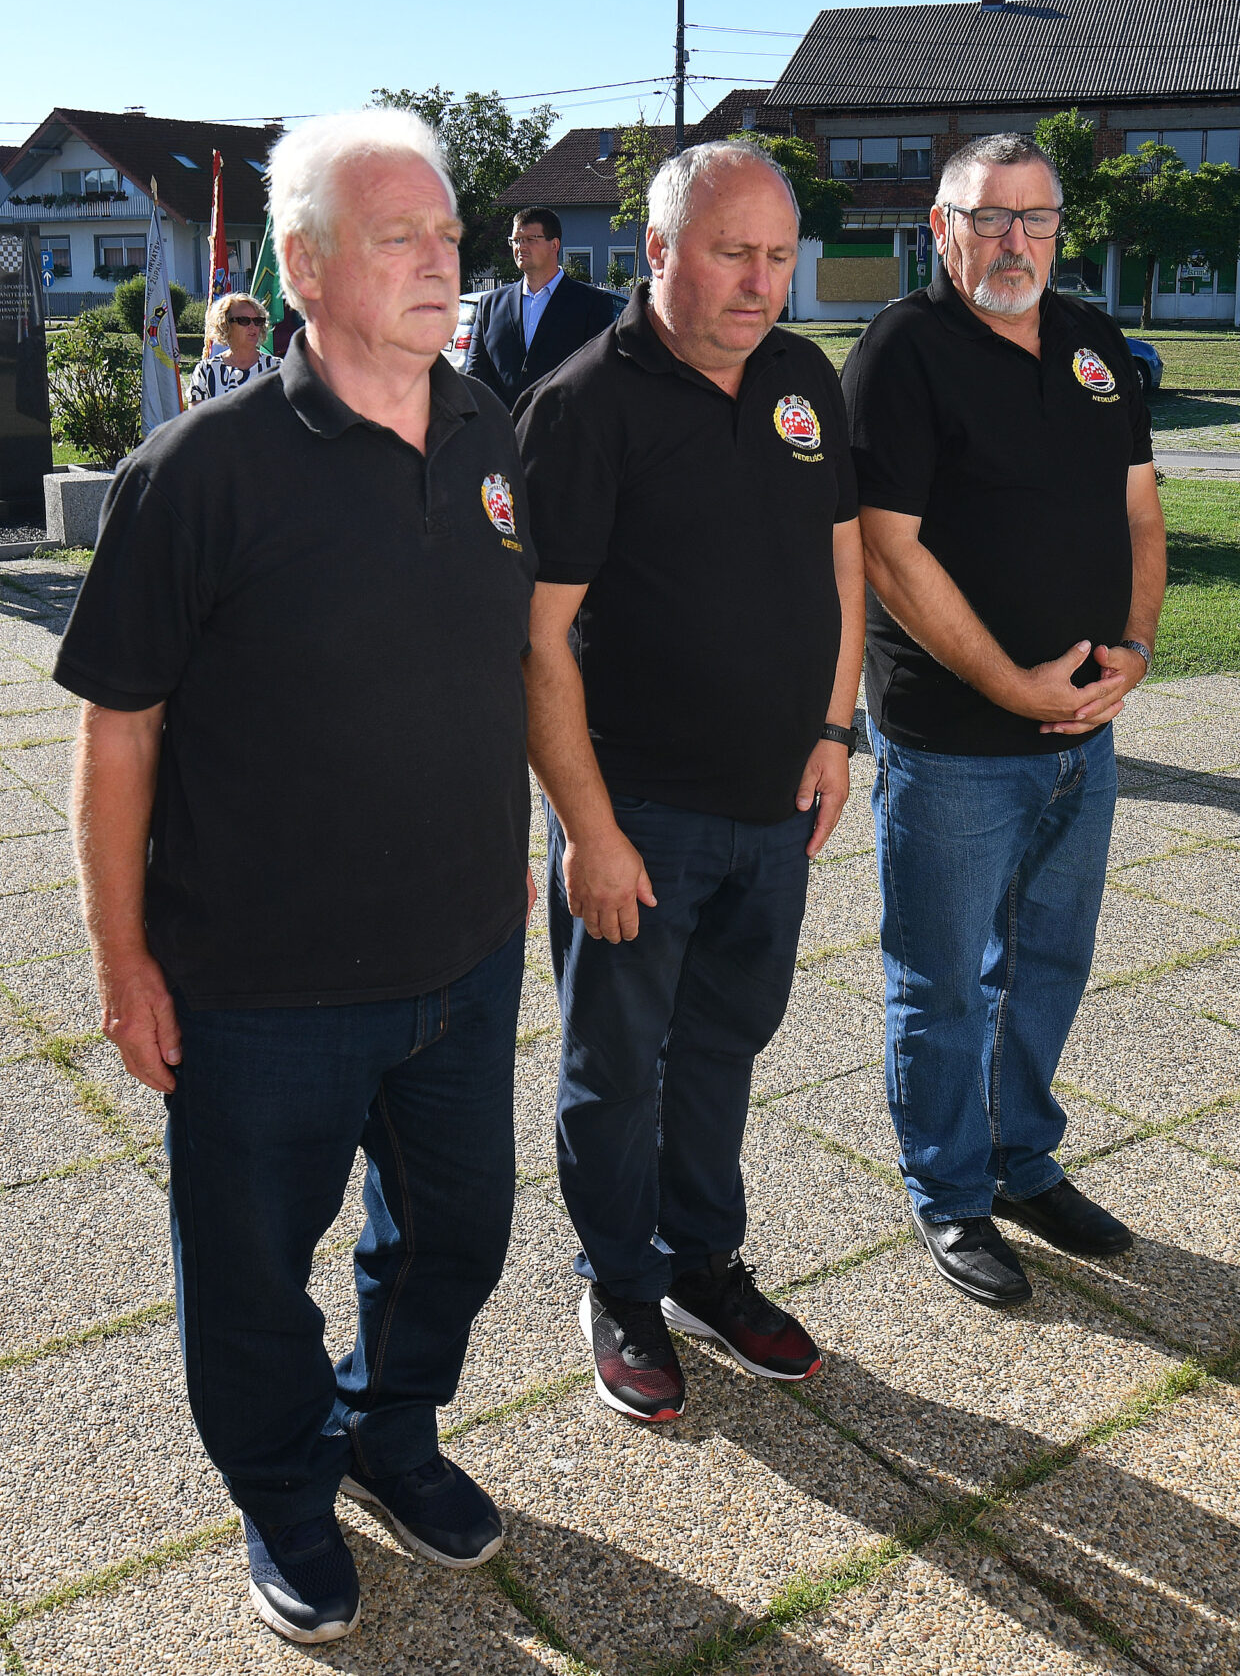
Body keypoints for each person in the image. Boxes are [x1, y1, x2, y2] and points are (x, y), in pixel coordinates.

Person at [57, 107, 535, 1644]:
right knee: (254, 1266)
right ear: (307, 268)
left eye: (448, 234)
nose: (440, 262)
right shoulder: (198, 472)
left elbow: (501, 660)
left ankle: (390, 1429)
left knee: (457, 1229)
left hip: (465, 953)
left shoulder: (488, 429)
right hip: (262, 984)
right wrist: (121, 958)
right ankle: (281, 1482)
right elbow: (119, 731)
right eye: (400, 238)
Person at [515, 142, 861, 1424]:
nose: (761, 282)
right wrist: (587, 828)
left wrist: (834, 731)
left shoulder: (802, 377)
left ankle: (703, 1262)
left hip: (775, 807)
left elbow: (841, 564)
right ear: (657, 251)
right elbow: (538, 640)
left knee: (723, 1048)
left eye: (777, 256)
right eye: (731, 254)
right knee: (616, 1069)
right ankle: (618, 1285)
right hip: (641, 818)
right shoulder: (582, 406)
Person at [840, 132, 1162, 1307]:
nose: (1014, 241)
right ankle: (949, 1192)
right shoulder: (901, 351)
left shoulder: (1090, 342)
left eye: (1035, 218)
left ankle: (1021, 1160)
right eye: (988, 217)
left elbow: (1140, 509)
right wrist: (1010, 686)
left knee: (1047, 963)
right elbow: (889, 550)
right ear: (942, 227)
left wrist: (1135, 648)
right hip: (954, 743)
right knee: (942, 984)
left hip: (1085, 730)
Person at [464, 207, 622, 409]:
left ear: (554, 245)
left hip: (563, 424)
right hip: (503, 426)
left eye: (530, 239)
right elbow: (476, 376)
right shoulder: (490, 305)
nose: (521, 247)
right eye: (516, 240)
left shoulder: (592, 304)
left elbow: (598, 375)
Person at [186, 291, 280, 405]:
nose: (252, 326)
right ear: (225, 325)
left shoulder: (278, 369)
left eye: (257, 321)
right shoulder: (205, 371)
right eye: (244, 320)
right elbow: (196, 414)